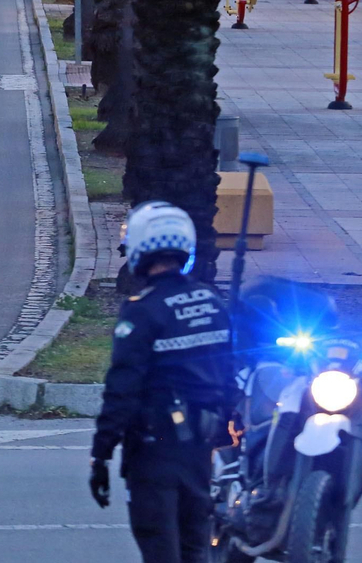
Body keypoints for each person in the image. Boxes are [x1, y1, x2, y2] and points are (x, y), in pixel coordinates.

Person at [90, 202, 234, 563]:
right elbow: (228, 374)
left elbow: (122, 389)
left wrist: (101, 455)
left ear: (139, 247)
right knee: (194, 550)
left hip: (154, 450)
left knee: (160, 550)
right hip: (200, 449)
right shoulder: (211, 302)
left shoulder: (142, 310)